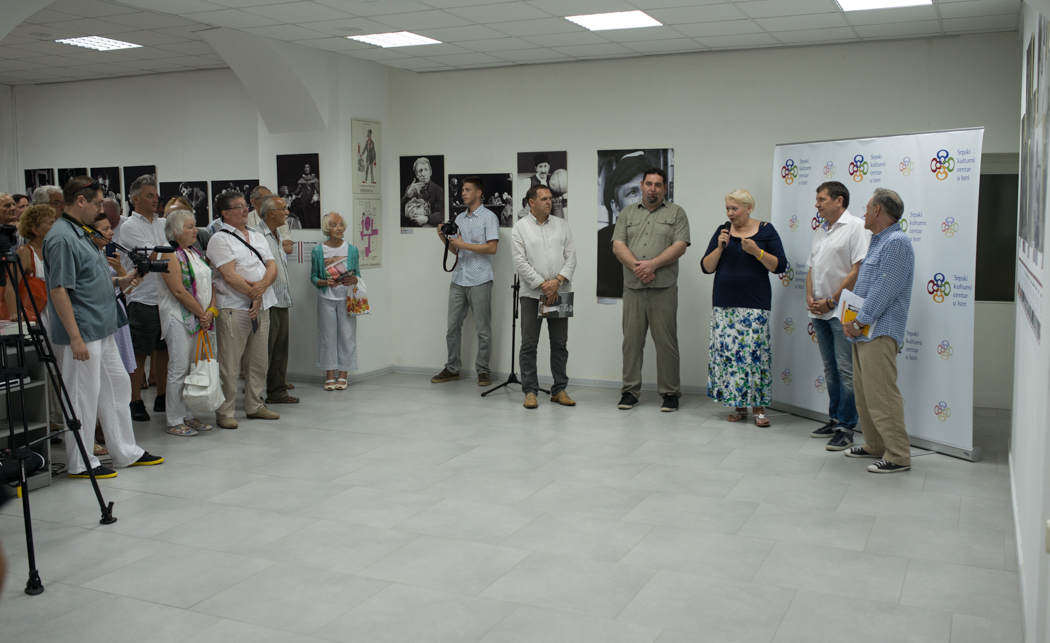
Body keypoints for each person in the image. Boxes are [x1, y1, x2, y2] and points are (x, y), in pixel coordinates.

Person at [43, 176, 161, 479]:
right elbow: (59, 289)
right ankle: (81, 462)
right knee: (82, 395)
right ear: (80, 200)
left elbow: (90, 278)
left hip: (102, 325)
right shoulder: (62, 237)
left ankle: (125, 451)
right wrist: (75, 337)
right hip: (82, 330)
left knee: (118, 386)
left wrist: (122, 280)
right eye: (97, 203)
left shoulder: (82, 232)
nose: (101, 210)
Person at [842, 188, 915, 473]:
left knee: (882, 394)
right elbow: (867, 288)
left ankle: (898, 455)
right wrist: (853, 321)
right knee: (865, 395)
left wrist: (859, 321)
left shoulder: (897, 243)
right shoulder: (879, 241)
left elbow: (884, 290)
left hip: (879, 331)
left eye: (867, 207)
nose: (863, 212)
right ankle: (875, 444)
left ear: (877, 211)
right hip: (863, 330)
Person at [702, 189, 788, 426]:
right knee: (731, 357)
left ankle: (758, 408)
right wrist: (720, 248)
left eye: (735, 208)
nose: (730, 213)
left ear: (749, 208)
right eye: (728, 208)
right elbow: (706, 267)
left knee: (754, 355)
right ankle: (738, 406)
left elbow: (780, 266)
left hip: (755, 303)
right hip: (724, 304)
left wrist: (757, 252)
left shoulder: (766, 230)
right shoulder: (723, 232)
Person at [612, 167, 690, 412]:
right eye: (649, 184)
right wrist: (639, 268)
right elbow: (617, 245)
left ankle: (670, 393)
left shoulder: (677, 213)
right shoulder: (627, 213)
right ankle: (630, 392)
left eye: (657, 185)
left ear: (665, 188)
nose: (652, 189)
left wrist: (652, 264)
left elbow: (680, 246)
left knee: (666, 343)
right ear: (642, 186)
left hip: (663, 289)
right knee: (631, 343)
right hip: (633, 288)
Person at [206, 191, 279, 429]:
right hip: (234, 308)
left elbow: (272, 265)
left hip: (262, 305)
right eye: (238, 207)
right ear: (225, 213)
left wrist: (261, 290)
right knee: (230, 363)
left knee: (259, 361)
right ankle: (225, 411)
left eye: (245, 205)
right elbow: (229, 275)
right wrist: (254, 294)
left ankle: (255, 405)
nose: (245, 209)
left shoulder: (257, 235)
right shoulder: (219, 239)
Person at [805, 181, 870, 450]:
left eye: (821, 199)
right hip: (819, 312)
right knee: (831, 369)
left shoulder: (856, 227)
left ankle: (846, 427)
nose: (817, 204)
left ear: (839, 200)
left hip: (843, 311)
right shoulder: (821, 229)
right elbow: (812, 267)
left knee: (846, 370)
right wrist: (810, 297)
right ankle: (834, 419)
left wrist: (832, 301)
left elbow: (858, 269)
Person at [511, 184, 577, 409]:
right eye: (544, 199)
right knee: (529, 344)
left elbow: (571, 258)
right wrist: (543, 285)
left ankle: (559, 390)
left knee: (559, 343)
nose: (550, 202)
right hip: (532, 294)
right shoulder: (520, 227)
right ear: (532, 202)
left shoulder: (562, 225)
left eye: (550, 198)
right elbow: (520, 262)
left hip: (560, 292)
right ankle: (530, 391)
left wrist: (557, 282)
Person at [431, 176, 499, 387]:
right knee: (452, 327)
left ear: (478, 193)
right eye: (462, 190)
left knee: (483, 330)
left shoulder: (489, 218)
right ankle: (452, 368)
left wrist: (464, 244)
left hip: (480, 279)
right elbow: (456, 250)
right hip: (459, 279)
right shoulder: (459, 218)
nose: (463, 193)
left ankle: (483, 371)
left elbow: (492, 248)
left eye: (467, 190)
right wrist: (443, 238)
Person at [157, 209, 216, 436]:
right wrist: (202, 313)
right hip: (178, 317)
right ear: (175, 232)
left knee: (192, 368)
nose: (195, 231)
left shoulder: (194, 252)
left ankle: (188, 415)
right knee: (179, 368)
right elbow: (178, 291)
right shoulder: (167, 253)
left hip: (199, 317)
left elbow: (209, 281)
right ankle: (174, 419)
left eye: (194, 226)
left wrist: (210, 311)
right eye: (190, 227)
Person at [115, 174, 169, 422]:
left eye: (156, 195)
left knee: (163, 350)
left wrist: (169, 252)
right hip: (143, 298)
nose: (155, 200)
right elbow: (154, 256)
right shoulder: (129, 226)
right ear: (135, 199)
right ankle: (135, 400)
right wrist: (170, 252)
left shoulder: (162, 222)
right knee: (139, 353)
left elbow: (169, 252)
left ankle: (162, 397)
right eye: (149, 196)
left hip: (165, 297)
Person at [311, 212, 359, 390]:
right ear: (327, 229)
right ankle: (330, 375)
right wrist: (324, 282)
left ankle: (343, 375)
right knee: (327, 336)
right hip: (326, 298)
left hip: (347, 298)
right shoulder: (318, 251)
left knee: (347, 335)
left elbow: (358, 275)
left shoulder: (352, 250)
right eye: (334, 225)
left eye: (340, 225)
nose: (339, 228)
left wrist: (354, 279)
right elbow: (313, 277)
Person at [598, 152, 656, 298]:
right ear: (616, 207)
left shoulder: (669, 239)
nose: (644, 199)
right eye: (632, 192)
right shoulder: (600, 245)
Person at [257, 195, 297, 403]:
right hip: (267, 302)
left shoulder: (277, 234)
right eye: (283, 209)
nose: (287, 212)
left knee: (280, 350)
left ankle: (277, 392)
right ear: (271, 213)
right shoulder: (257, 236)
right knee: (264, 352)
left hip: (282, 299)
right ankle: (255, 397)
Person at [401, 157, 444, 227]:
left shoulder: (439, 190)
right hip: (409, 224)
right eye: (420, 171)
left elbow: (440, 213)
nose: (423, 174)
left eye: (426, 170)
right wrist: (408, 194)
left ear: (430, 172)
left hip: (428, 224)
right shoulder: (410, 188)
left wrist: (426, 219)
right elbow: (399, 211)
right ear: (416, 175)